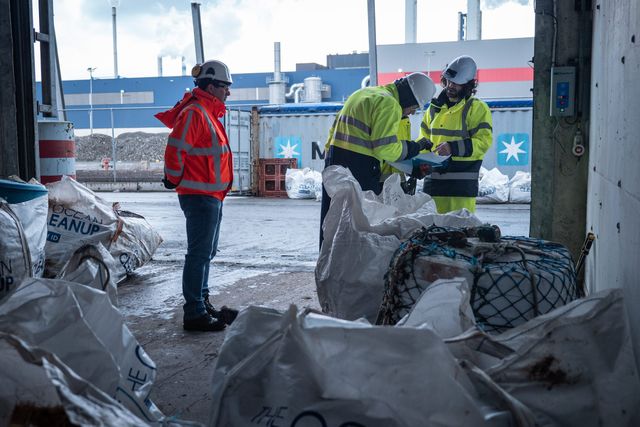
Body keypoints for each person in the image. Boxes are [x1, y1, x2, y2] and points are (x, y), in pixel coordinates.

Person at [155, 60, 238, 332]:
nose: (229, 92)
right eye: (225, 87)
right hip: (199, 194)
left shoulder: (206, 112)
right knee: (199, 254)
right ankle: (194, 312)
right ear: (212, 86)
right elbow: (176, 148)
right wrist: (173, 179)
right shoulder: (195, 113)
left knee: (206, 252)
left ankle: (201, 301)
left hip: (211, 194)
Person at [319, 72, 436, 248]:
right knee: (360, 227)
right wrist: (416, 147)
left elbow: (334, 135)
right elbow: (385, 149)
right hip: (360, 169)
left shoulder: (363, 94)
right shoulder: (390, 104)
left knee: (332, 222)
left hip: (335, 166)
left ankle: (328, 265)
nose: (411, 113)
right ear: (409, 98)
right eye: (413, 108)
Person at [419, 55, 493, 214]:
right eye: (449, 81)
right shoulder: (433, 108)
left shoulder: (477, 108)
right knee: (432, 233)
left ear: (467, 85)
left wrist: (452, 148)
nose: (451, 86)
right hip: (433, 186)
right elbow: (423, 140)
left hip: (461, 189)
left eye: (456, 83)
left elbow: (483, 142)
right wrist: (418, 161)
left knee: (459, 233)